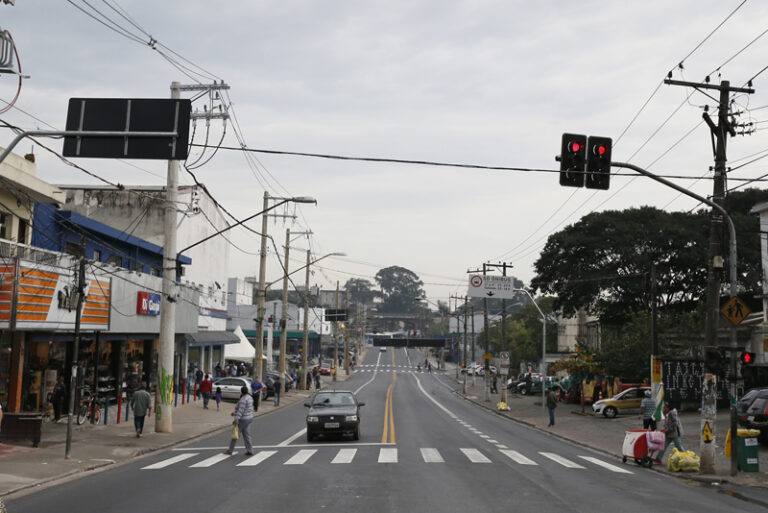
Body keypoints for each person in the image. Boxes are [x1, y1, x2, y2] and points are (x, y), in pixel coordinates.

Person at [223, 386, 254, 456]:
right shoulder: (250, 398)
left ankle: (230, 450)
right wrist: (235, 413)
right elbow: (246, 409)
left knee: (235, 435)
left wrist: (236, 419)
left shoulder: (243, 400)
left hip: (243, 419)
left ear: (241, 392)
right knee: (247, 435)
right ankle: (250, 450)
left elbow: (241, 411)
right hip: (249, 418)